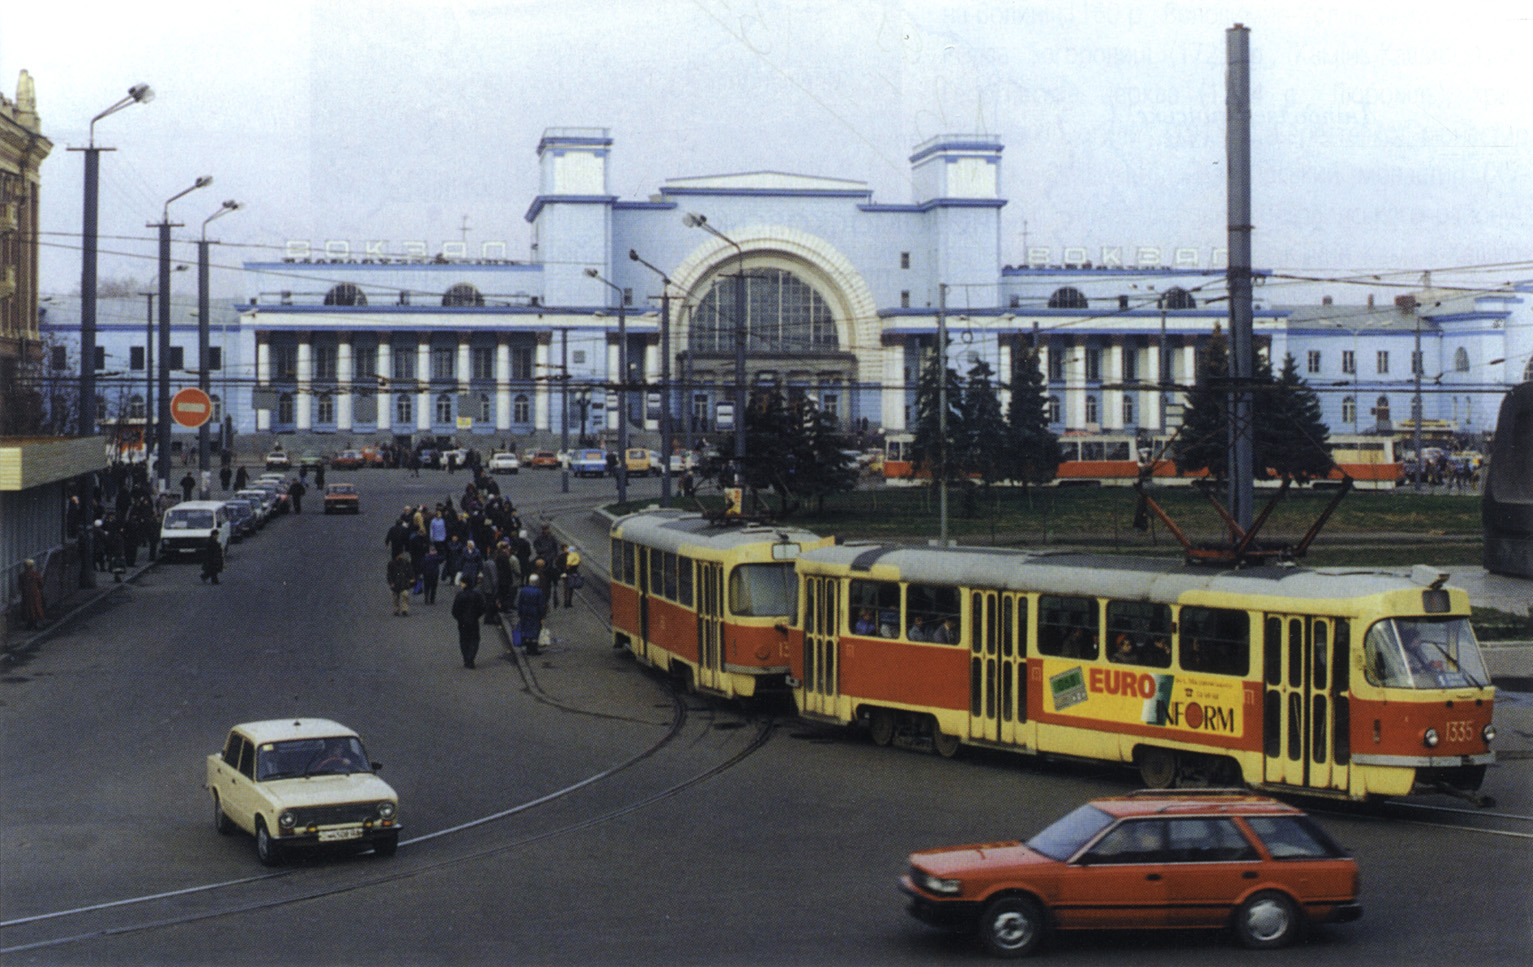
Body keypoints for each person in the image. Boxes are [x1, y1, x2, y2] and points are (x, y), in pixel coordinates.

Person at [451, 576, 486, 668]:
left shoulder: (460, 595)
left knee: (464, 640)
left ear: (465, 583)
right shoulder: (477, 595)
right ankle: (471, 657)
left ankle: (466, 658)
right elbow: (482, 608)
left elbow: (454, 610)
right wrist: (476, 616)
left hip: (462, 621)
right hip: (473, 620)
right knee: (474, 639)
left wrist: (459, 618)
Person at [516, 574, 547, 655]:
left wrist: (519, 612)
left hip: (525, 612)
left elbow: (520, 602)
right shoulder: (538, 592)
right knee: (534, 630)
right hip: (534, 612)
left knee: (526, 629)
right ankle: (533, 649)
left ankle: (528, 648)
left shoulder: (523, 590)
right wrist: (542, 614)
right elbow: (541, 604)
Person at [19, 559, 45, 629]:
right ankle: (35, 623)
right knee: (36, 607)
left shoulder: (22, 575)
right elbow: (41, 583)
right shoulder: (36, 574)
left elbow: (20, 585)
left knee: (27, 608)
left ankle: (29, 624)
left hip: (26, 594)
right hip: (35, 593)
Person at [387, 551, 414, 616]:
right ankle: (396, 610)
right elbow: (389, 574)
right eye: (400, 554)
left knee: (405, 595)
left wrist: (412, 578)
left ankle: (404, 610)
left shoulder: (405, 562)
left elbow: (410, 570)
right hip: (395, 582)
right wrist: (391, 583)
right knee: (396, 597)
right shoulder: (391, 564)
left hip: (403, 582)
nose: (401, 556)